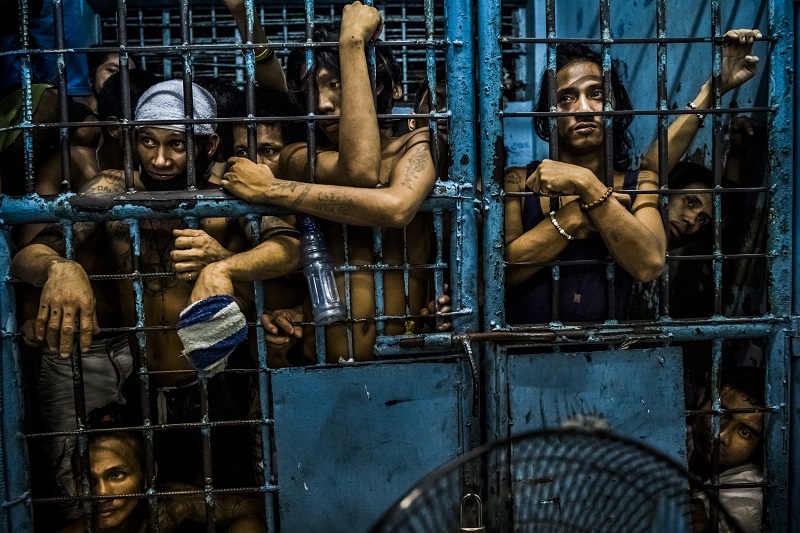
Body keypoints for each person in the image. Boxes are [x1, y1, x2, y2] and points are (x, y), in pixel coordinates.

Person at [10, 79, 265, 489]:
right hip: (142, 386)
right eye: (147, 142)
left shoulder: (226, 200)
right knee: (155, 500)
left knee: (228, 498)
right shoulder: (113, 191)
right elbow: (28, 256)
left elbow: (290, 251)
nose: (160, 159)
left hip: (219, 383)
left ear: (209, 145)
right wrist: (60, 269)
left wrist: (225, 263)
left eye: (176, 145)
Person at [222, 1, 437, 362]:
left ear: (381, 84)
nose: (321, 103)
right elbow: (358, 169)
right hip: (317, 359)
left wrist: (352, 42)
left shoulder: (417, 145)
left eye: (336, 84)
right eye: (312, 89)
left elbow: (396, 206)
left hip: (404, 361)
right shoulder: (301, 156)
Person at [503, 43, 666, 324]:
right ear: (547, 112)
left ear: (616, 105)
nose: (584, 109)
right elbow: (499, 274)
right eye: (566, 97)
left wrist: (586, 184)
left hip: (607, 356)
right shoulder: (518, 181)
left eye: (597, 94)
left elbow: (649, 264)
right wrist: (574, 217)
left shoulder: (639, 183)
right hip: (520, 352)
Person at [58, 403, 265, 533]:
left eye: (116, 475)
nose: (101, 494)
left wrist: (189, 504)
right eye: (87, 480)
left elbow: (263, 511)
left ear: (149, 474)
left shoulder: (168, 505)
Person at [689, 367, 765, 533]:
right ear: (702, 399)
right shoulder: (679, 437)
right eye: (721, 413)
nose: (721, 434)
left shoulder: (744, 505)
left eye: (744, 432)